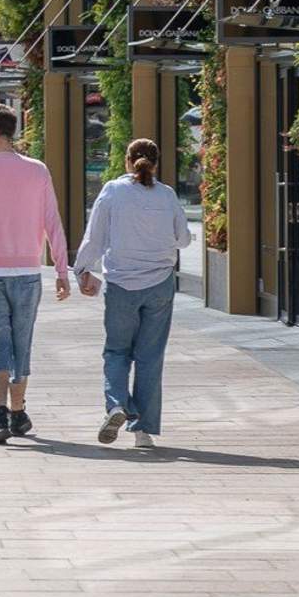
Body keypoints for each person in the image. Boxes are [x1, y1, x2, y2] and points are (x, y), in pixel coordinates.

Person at [0, 102, 71, 446]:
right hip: (28, 273)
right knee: (22, 343)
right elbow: (52, 220)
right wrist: (62, 269)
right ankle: (18, 411)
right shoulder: (38, 170)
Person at [74, 136, 192, 450]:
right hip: (159, 284)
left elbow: (95, 236)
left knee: (117, 351)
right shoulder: (167, 194)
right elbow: (184, 240)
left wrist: (82, 270)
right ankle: (143, 432)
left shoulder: (113, 191)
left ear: (127, 161)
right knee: (150, 357)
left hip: (121, 284)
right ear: (156, 164)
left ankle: (116, 405)